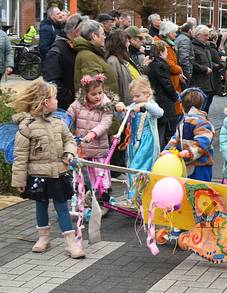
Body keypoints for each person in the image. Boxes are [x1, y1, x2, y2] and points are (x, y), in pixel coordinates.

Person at [10, 80, 82, 258]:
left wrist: (69, 153)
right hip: (38, 175)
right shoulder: (27, 129)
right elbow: (20, 157)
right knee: (40, 206)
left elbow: (70, 140)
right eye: (54, 98)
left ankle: (70, 242)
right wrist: (19, 181)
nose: (57, 101)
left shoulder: (59, 123)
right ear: (45, 102)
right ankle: (43, 238)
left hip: (58, 172)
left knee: (62, 207)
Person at [67, 74, 124, 207]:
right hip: (83, 147)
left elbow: (105, 123)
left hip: (98, 147)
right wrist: (65, 124)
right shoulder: (78, 104)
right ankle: (86, 195)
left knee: (100, 173)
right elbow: (69, 115)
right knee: (84, 173)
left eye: (100, 92)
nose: (98, 96)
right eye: (94, 94)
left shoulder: (106, 105)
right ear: (86, 93)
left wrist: (93, 133)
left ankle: (104, 196)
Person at [124, 78, 163, 197]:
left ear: (147, 94)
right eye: (133, 97)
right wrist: (122, 109)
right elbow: (125, 117)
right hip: (134, 142)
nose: (135, 99)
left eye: (137, 96)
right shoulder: (133, 105)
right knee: (131, 167)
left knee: (138, 168)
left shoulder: (151, 105)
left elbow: (160, 112)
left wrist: (144, 105)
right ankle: (136, 196)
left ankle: (138, 196)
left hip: (147, 142)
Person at [164, 88, 214, 181]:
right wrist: (167, 149)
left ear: (182, 105)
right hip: (185, 163)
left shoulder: (202, 122)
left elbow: (203, 142)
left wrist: (189, 152)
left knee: (200, 189)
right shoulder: (183, 121)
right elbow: (175, 138)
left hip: (201, 165)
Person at [42, 14, 82, 110]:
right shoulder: (57, 50)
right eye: (82, 31)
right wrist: (69, 95)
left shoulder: (73, 47)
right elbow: (51, 80)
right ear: (76, 32)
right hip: (63, 107)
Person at [148, 40, 179, 149]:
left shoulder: (153, 64)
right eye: (165, 51)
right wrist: (175, 96)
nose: (167, 54)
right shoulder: (160, 66)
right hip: (164, 100)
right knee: (165, 130)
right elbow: (167, 84)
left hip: (159, 99)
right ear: (161, 52)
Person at [155, 21, 184, 116]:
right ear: (168, 32)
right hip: (171, 81)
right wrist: (179, 69)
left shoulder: (169, 44)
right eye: (174, 32)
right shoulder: (163, 45)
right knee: (173, 111)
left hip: (173, 80)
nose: (176, 34)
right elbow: (170, 65)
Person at [106, 30, 140, 104]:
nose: (129, 44)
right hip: (123, 103)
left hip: (133, 101)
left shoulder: (125, 58)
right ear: (120, 43)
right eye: (127, 41)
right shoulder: (112, 61)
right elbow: (112, 86)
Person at [190, 25, 216, 112]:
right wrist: (205, 69)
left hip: (209, 83)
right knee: (200, 107)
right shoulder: (192, 47)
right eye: (205, 35)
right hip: (200, 83)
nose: (207, 38)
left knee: (206, 107)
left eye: (208, 35)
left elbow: (207, 61)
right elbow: (192, 64)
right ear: (198, 35)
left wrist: (215, 65)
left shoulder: (205, 46)